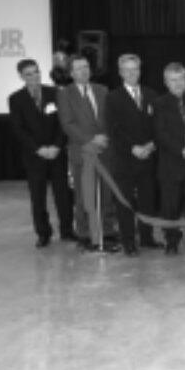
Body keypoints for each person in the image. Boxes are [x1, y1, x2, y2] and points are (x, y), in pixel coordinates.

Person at [8, 59, 75, 248]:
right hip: (34, 156)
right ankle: (43, 233)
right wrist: (38, 149)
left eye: (36, 72)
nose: (34, 76)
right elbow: (18, 129)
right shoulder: (16, 99)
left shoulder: (55, 93)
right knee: (38, 197)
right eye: (29, 73)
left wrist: (56, 146)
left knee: (63, 195)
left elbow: (64, 123)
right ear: (21, 76)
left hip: (56, 153)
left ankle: (67, 230)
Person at [57, 54, 119, 253]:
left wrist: (104, 137)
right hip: (82, 152)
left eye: (86, 67)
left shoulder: (102, 90)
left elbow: (111, 118)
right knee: (85, 195)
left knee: (106, 194)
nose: (83, 71)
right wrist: (90, 140)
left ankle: (108, 232)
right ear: (71, 73)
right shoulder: (65, 94)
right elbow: (67, 123)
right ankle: (85, 235)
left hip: (105, 150)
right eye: (78, 68)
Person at [105, 54, 162, 256]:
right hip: (124, 159)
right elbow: (114, 130)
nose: (131, 73)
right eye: (127, 70)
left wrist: (153, 144)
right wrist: (133, 148)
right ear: (120, 73)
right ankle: (129, 241)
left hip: (148, 157)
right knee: (125, 203)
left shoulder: (152, 94)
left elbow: (159, 125)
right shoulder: (112, 97)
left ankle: (147, 238)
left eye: (135, 69)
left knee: (148, 201)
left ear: (140, 70)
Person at [153, 63, 185, 255]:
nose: (178, 84)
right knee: (170, 207)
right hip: (171, 165)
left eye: (181, 79)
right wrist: (182, 149)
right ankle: (172, 240)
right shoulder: (159, 104)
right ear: (166, 82)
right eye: (173, 80)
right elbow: (161, 133)